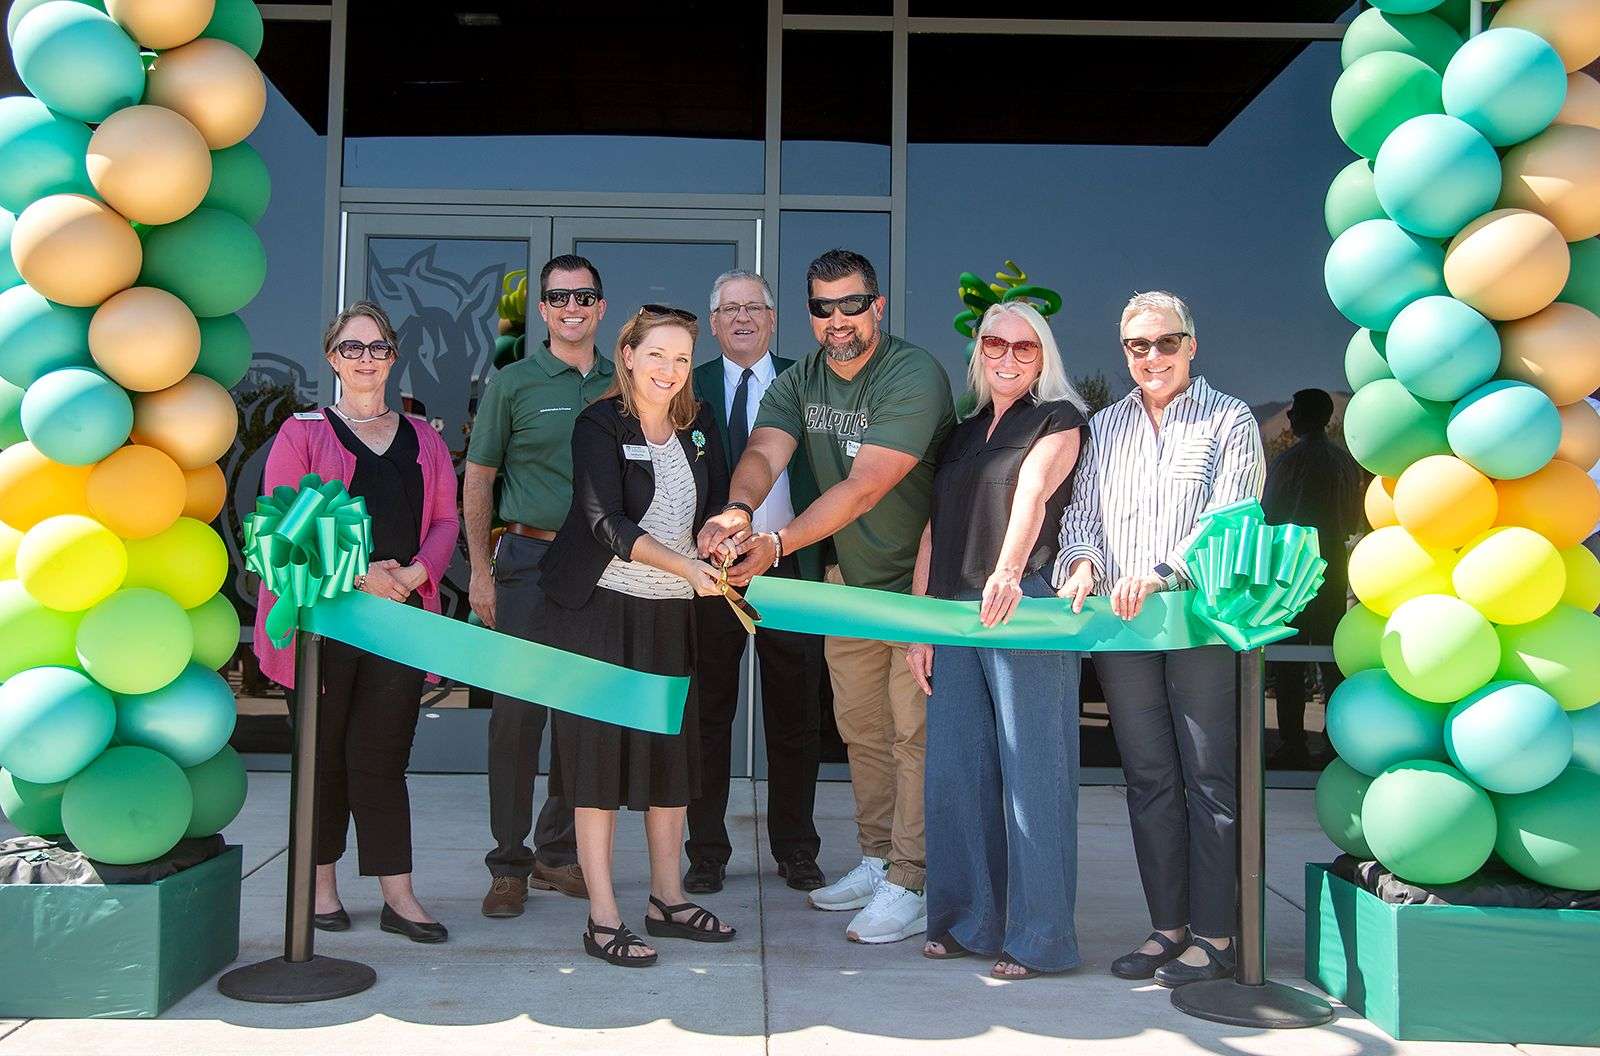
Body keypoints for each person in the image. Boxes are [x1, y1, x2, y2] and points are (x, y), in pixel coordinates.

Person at [699, 248, 955, 944]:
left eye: (850, 304)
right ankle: (877, 859)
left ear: (876, 306)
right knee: (863, 732)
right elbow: (764, 450)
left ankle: (913, 879)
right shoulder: (801, 377)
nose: (836, 320)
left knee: (914, 738)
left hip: (914, 590)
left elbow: (867, 483)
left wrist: (777, 543)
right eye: (822, 307)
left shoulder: (911, 373)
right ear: (809, 313)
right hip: (847, 586)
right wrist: (738, 511)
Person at [1054, 290, 1265, 987]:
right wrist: (1082, 561)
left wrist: (1161, 571)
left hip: (1198, 623)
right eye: (1138, 346)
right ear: (1124, 353)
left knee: (1209, 777)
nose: (1152, 357)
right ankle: (1167, 929)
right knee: (1147, 780)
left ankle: (1217, 934)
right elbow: (1081, 514)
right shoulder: (1106, 425)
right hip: (1124, 629)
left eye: (1165, 342)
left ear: (1192, 345)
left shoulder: (1230, 417)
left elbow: (1231, 514)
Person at [537, 305, 737, 967]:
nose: (670, 371)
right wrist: (685, 563)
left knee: (668, 760)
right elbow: (604, 522)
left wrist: (715, 533)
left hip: (670, 612)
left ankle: (668, 900)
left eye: (682, 358)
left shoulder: (700, 423)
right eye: (657, 355)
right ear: (627, 355)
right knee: (596, 761)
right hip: (597, 609)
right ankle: (601, 920)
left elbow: (710, 502)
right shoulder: (600, 423)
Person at [255, 300, 459, 944]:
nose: (364, 358)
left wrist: (415, 576)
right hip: (324, 626)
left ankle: (398, 894)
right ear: (332, 358)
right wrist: (362, 572)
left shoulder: (424, 437)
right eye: (352, 347)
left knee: (382, 757)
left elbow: (447, 521)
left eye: (376, 347)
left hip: (398, 621)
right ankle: (320, 888)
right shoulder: (303, 433)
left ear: (393, 357)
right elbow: (283, 522)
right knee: (323, 757)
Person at [905, 301, 1089, 980]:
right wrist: (922, 624)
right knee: (956, 772)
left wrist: (1009, 573)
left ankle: (1039, 940)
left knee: (1031, 777)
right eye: (995, 344)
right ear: (979, 351)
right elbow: (932, 530)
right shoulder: (959, 433)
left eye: (1025, 348)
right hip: (953, 612)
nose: (1008, 357)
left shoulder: (1060, 419)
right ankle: (965, 921)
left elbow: (1033, 493)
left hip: (1021, 606)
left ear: (1043, 358)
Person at [465, 254, 612, 917]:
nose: (572, 307)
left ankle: (557, 853)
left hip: (603, 569)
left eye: (584, 297)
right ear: (544, 310)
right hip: (525, 560)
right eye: (558, 298)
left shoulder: (625, 380)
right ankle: (508, 863)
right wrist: (478, 569)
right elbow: (479, 478)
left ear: (601, 307)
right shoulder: (514, 382)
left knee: (582, 714)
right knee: (516, 720)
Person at [684, 270, 828, 896]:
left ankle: (796, 848)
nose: (742, 318)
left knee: (796, 719)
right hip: (708, 575)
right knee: (707, 717)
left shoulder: (807, 381)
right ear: (713, 323)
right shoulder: (690, 386)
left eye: (754, 307)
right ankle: (707, 852)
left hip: (789, 568)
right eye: (729, 309)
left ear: (773, 319)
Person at [1262, 388, 1363, 768]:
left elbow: (1269, 514)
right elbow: (1353, 515)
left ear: (1305, 417)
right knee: (1329, 658)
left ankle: (1292, 742)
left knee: (1289, 661)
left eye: (1293, 412)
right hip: (1333, 564)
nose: (1287, 418)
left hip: (1294, 566)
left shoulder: (1291, 461)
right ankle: (1336, 739)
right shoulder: (1343, 463)